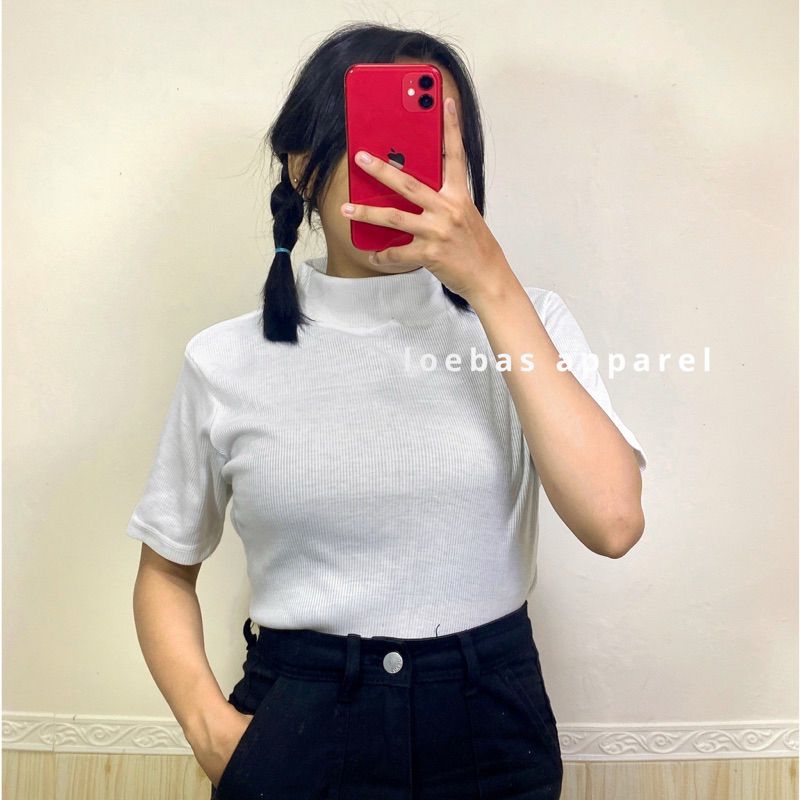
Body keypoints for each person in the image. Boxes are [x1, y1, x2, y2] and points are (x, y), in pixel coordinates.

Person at [127, 21, 647, 800]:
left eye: (430, 143)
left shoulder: (528, 322)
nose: (399, 170)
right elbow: (165, 571)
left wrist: (490, 282)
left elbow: (613, 522)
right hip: (297, 720)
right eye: (374, 136)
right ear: (301, 163)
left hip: (490, 725)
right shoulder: (224, 359)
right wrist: (211, 732)